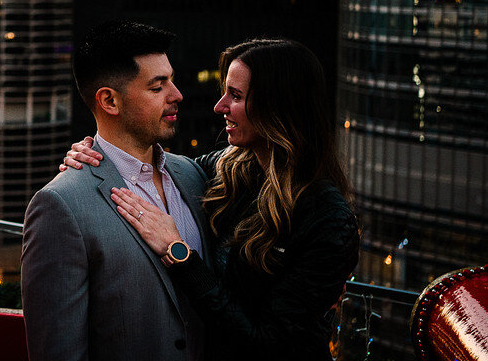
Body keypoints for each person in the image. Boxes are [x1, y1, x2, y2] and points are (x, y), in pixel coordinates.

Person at [62, 38, 359, 361]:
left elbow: (267, 344)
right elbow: (161, 168)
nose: (219, 107)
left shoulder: (327, 216)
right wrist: (96, 154)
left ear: (278, 107)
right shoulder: (228, 170)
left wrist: (180, 254)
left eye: (236, 96)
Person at [21, 20, 212, 361]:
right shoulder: (60, 205)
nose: (177, 95)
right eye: (157, 87)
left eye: (172, 80)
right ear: (109, 101)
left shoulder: (194, 175)